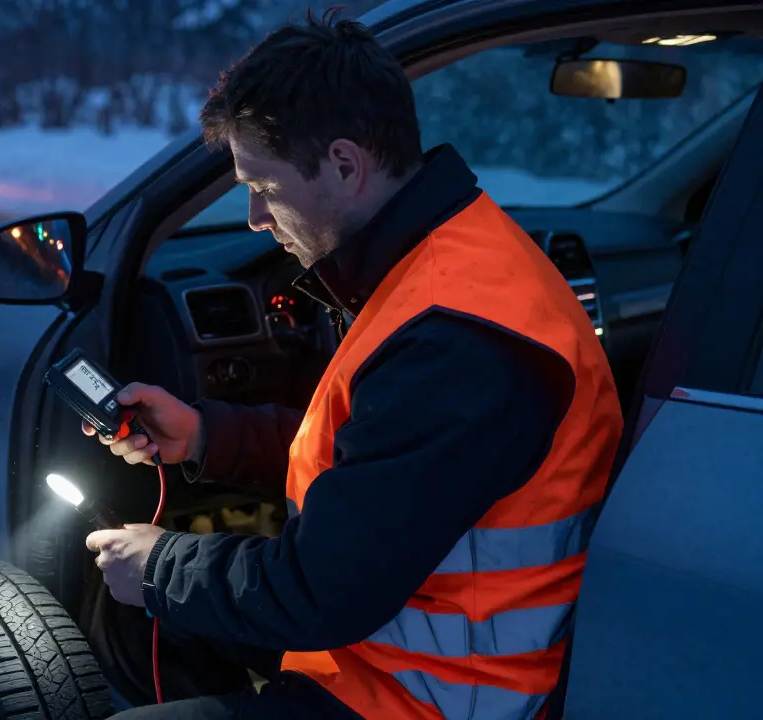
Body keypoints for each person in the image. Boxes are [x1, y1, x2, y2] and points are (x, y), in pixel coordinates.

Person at [82, 10, 624, 720]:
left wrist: (159, 567)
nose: (253, 217)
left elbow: (319, 594)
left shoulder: (460, 341)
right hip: (385, 654)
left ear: (345, 164)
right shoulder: (448, 262)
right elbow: (380, 464)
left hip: (433, 699)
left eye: (265, 188)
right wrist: (208, 435)